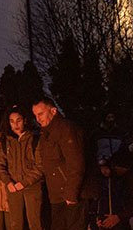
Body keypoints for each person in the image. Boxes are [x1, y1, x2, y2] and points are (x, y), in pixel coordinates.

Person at [33, 97, 86, 230]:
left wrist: (71, 193)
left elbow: (76, 162)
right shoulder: (45, 133)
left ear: (53, 111)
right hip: (57, 195)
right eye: (35, 115)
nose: (38, 119)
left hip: (71, 194)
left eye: (41, 114)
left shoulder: (65, 129)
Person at [0, 106, 43, 230]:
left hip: (32, 186)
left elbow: (40, 166)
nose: (15, 124)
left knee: (35, 222)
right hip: (13, 187)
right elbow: (0, 165)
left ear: (25, 120)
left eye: (18, 120)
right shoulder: (6, 142)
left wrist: (24, 182)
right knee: (15, 223)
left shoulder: (34, 139)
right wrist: (8, 182)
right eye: (12, 121)